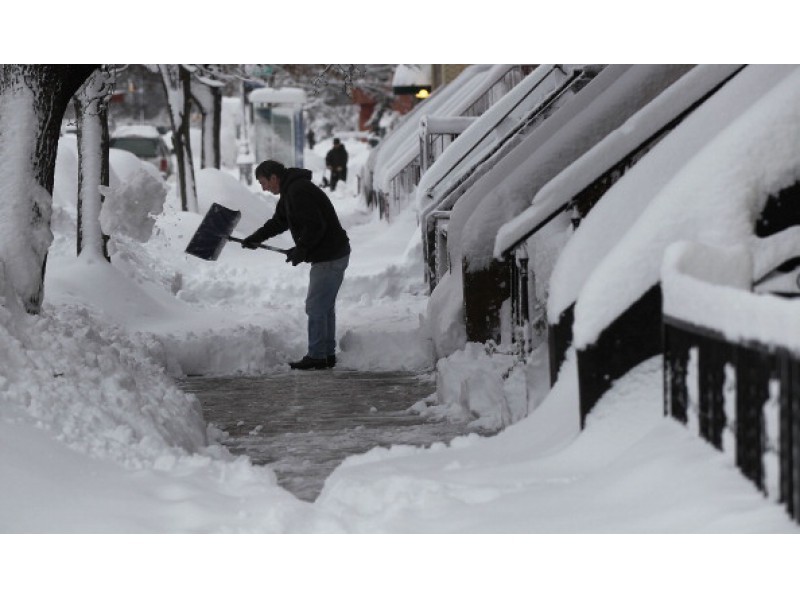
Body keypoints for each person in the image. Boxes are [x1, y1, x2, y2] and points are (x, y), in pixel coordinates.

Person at [241, 160, 351, 370]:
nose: (263, 188)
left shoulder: (297, 191)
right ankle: (326, 354)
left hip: (330, 255)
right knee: (323, 307)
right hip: (331, 253)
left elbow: (315, 225)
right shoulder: (291, 190)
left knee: (316, 306)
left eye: (263, 182)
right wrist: (257, 238)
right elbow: (280, 221)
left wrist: (302, 248)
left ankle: (318, 356)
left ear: (274, 177)